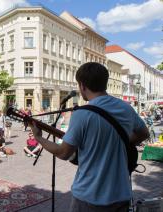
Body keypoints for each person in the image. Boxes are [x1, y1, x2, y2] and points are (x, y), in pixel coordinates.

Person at [29, 62, 149, 212]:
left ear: (82, 86)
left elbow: (64, 153)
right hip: (120, 194)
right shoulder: (125, 107)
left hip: (89, 195)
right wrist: (120, 142)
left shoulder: (82, 114)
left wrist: (39, 137)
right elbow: (144, 133)